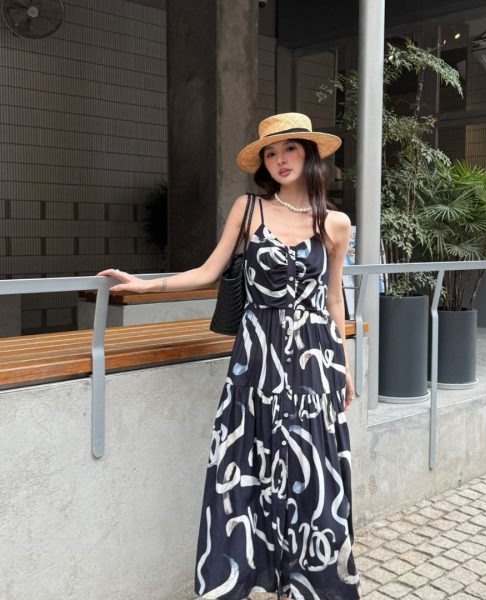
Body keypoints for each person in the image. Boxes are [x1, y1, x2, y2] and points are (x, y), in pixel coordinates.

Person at [99, 112, 360, 600]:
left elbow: (333, 299)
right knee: (245, 469)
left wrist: (343, 365)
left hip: (314, 362)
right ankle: (239, 579)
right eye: (271, 153)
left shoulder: (336, 223)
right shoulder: (249, 209)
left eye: (290, 149)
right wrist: (145, 285)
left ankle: (311, 585)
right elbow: (207, 271)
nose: (280, 159)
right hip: (257, 361)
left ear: (309, 154)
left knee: (312, 473)